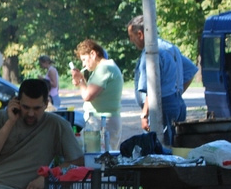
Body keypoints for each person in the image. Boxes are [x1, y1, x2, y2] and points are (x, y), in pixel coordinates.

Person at [127, 15, 198, 145]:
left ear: (140, 34)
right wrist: (176, 93)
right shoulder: (170, 48)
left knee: (161, 146)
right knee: (175, 144)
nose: (131, 41)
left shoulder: (151, 52)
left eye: (132, 37)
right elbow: (190, 70)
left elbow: (151, 88)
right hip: (177, 103)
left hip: (161, 106)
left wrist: (144, 114)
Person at [70, 39, 123, 152]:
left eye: (84, 59)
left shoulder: (104, 68)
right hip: (101, 121)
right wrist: (81, 80)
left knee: (99, 159)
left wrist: (80, 81)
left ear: (93, 54)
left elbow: (88, 95)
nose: (83, 64)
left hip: (103, 122)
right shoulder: (103, 68)